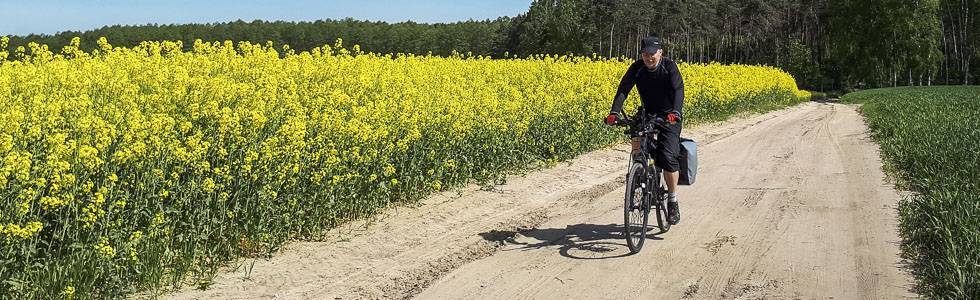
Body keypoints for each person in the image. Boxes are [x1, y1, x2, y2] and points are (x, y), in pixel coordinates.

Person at [604, 36, 684, 225]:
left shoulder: (669, 67)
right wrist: (614, 112)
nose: (649, 58)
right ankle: (638, 174)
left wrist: (676, 112)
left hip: (668, 116)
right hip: (647, 114)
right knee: (637, 146)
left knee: (668, 158)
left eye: (652, 54)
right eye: (645, 54)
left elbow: (678, 89)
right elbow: (624, 89)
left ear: (660, 53)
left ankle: (672, 201)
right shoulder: (637, 68)